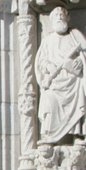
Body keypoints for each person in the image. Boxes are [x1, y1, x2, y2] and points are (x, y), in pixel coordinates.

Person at [35, 6, 86, 145]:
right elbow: (41, 61)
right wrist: (49, 67)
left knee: (80, 89)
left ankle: (78, 134)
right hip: (55, 82)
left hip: (73, 81)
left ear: (68, 18)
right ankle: (49, 135)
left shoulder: (75, 35)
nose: (59, 16)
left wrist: (80, 62)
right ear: (51, 20)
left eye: (62, 14)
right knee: (49, 98)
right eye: (56, 15)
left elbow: (84, 52)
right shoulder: (48, 40)